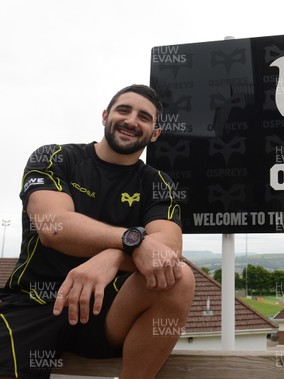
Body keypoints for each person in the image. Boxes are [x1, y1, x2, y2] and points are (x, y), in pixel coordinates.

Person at [0, 84, 195, 379]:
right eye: (123, 110)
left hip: (106, 312)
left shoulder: (158, 183)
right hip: (34, 303)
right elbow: (53, 227)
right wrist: (126, 243)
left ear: (154, 133)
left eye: (144, 117)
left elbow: (167, 251)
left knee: (179, 277)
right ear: (105, 116)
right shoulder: (54, 158)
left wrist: (113, 258)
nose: (131, 120)